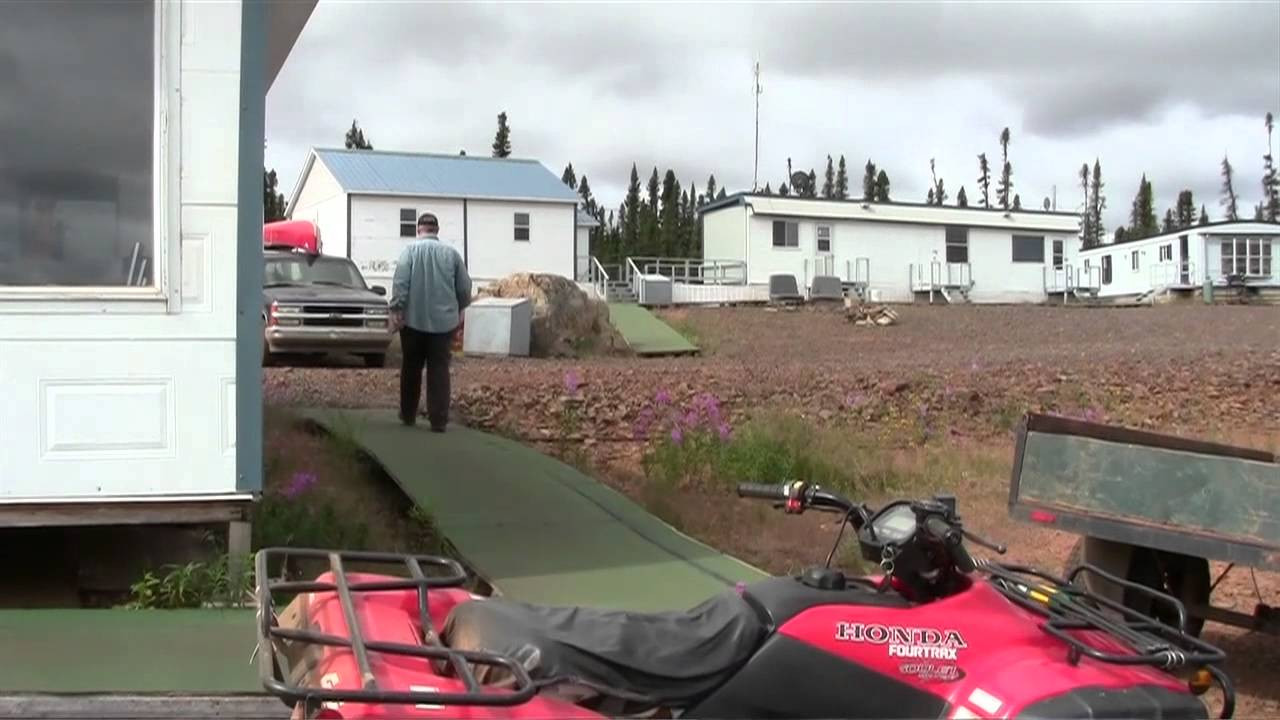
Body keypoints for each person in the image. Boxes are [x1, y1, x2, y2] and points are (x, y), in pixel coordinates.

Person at [389, 213, 471, 431]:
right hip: (443, 323)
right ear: (437, 230)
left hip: (413, 321)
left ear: (418, 230)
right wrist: (462, 307)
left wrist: (397, 308)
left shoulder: (409, 252)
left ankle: (408, 414)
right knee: (439, 370)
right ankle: (439, 419)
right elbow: (464, 286)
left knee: (411, 367)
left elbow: (401, 282)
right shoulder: (451, 254)